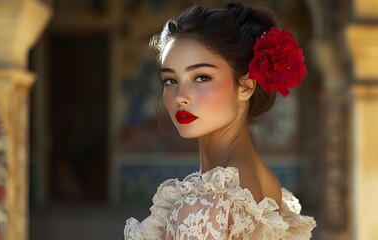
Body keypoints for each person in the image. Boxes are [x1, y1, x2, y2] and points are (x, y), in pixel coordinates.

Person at [124, 1, 316, 239]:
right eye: (170, 80)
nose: (180, 97)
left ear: (245, 86)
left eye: (202, 77)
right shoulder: (265, 182)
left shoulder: (205, 208)